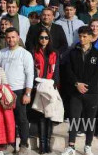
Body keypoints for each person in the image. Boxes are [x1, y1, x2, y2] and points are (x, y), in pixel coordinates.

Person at [61, 26, 98, 155]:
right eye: (80, 36)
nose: (82, 38)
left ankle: (88, 146)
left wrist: (86, 86)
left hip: (92, 93)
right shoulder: (73, 52)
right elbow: (68, 70)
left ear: (91, 37)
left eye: (85, 36)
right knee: (74, 119)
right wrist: (77, 84)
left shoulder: (97, 54)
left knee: (90, 120)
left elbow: (97, 74)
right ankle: (71, 146)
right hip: (76, 92)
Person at [0, 28, 33, 154]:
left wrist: (27, 93)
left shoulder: (25, 54)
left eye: (13, 37)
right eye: (8, 37)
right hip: (5, 91)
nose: (11, 40)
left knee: (22, 119)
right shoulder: (1, 53)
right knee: (8, 119)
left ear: (18, 37)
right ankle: (11, 144)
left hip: (20, 90)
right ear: (5, 38)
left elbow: (30, 74)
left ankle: (24, 144)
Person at [32, 26, 60, 154]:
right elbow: (31, 69)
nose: (44, 40)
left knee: (49, 115)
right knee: (41, 116)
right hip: (38, 86)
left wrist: (56, 85)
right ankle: (42, 145)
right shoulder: (34, 51)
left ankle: (48, 143)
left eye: (46, 37)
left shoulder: (54, 52)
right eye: (41, 37)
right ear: (38, 39)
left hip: (50, 86)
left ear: (49, 39)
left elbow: (57, 70)